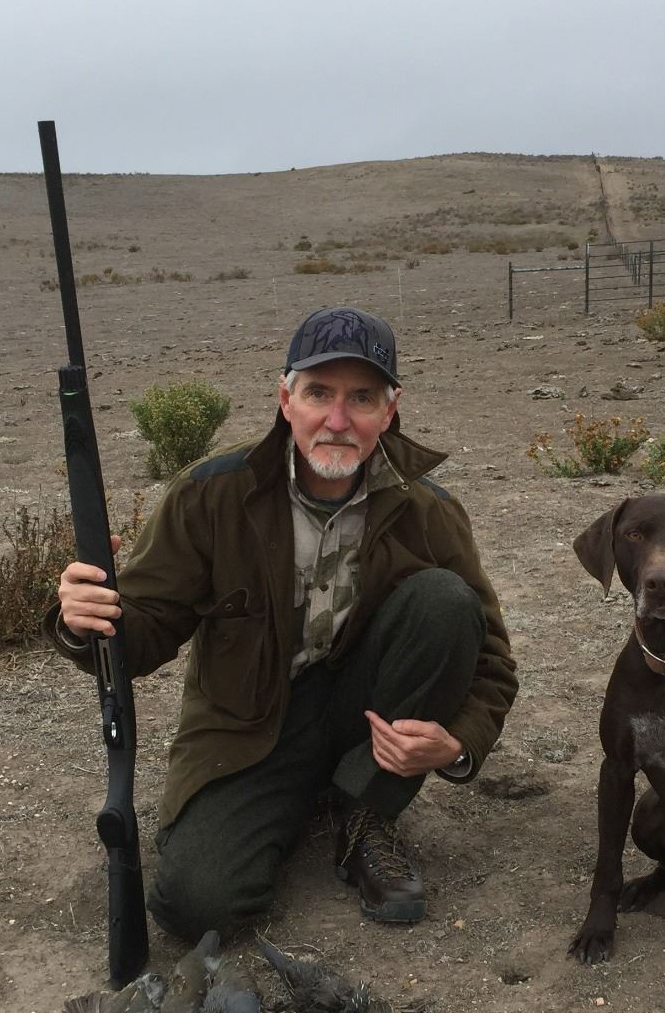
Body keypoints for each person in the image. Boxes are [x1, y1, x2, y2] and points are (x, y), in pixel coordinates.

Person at [48, 306, 517, 945]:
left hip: (361, 716)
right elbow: (145, 632)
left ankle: (365, 810)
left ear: (391, 410)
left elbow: (491, 659)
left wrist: (457, 747)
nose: (338, 419)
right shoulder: (209, 495)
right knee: (198, 906)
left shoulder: (430, 511)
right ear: (285, 399)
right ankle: (295, 797)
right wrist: (88, 621)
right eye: (319, 393)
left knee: (445, 602)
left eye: (362, 398)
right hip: (247, 730)